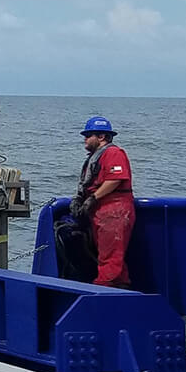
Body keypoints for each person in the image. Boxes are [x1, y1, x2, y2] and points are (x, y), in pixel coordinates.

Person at [69, 115, 135, 288]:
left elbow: (115, 179)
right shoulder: (96, 157)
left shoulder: (113, 153)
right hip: (102, 210)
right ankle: (120, 287)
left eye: (88, 135)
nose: (85, 139)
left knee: (110, 256)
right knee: (107, 254)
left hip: (114, 209)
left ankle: (104, 287)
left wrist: (93, 198)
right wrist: (79, 199)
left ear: (101, 137)